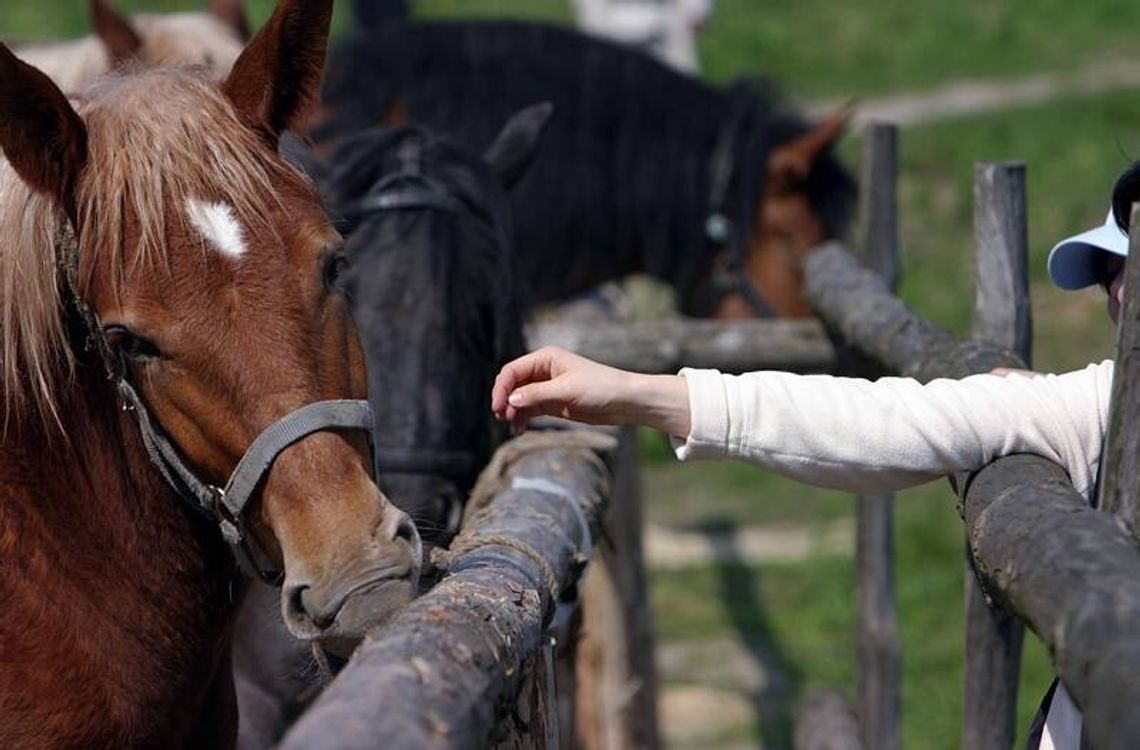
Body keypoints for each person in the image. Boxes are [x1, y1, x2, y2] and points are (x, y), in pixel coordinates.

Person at [491, 165, 1138, 750]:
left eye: (1124, 267)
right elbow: (892, 422)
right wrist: (637, 392)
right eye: (1111, 276)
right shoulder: (1103, 402)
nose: (1113, 295)